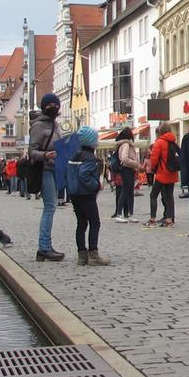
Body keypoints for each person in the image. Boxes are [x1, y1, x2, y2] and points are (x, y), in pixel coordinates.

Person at [29, 93, 66, 262]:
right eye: (51, 106)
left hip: (54, 169)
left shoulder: (55, 124)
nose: (55, 108)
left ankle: (46, 246)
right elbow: (32, 152)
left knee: (51, 208)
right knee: (50, 208)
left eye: (56, 105)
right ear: (44, 107)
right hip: (45, 169)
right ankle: (43, 247)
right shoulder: (38, 126)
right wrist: (46, 155)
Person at [68, 126, 111, 266]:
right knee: (95, 222)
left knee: (81, 224)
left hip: (74, 194)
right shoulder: (90, 157)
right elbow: (84, 175)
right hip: (86, 194)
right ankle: (93, 254)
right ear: (91, 141)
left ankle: (82, 255)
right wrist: (97, 185)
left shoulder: (75, 155)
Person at [146, 123, 179, 227]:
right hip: (172, 173)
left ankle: (152, 220)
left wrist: (152, 168)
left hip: (162, 173)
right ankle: (169, 220)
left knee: (153, 195)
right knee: (169, 197)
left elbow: (154, 159)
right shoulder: (173, 142)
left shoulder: (159, 142)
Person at [112, 127, 138, 222]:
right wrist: (135, 164)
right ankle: (120, 214)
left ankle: (129, 214)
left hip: (128, 170)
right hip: (127, 169)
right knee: (126, 191)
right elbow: (124, 158)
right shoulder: (126, 145)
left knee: (129, 191)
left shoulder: (123, 144)